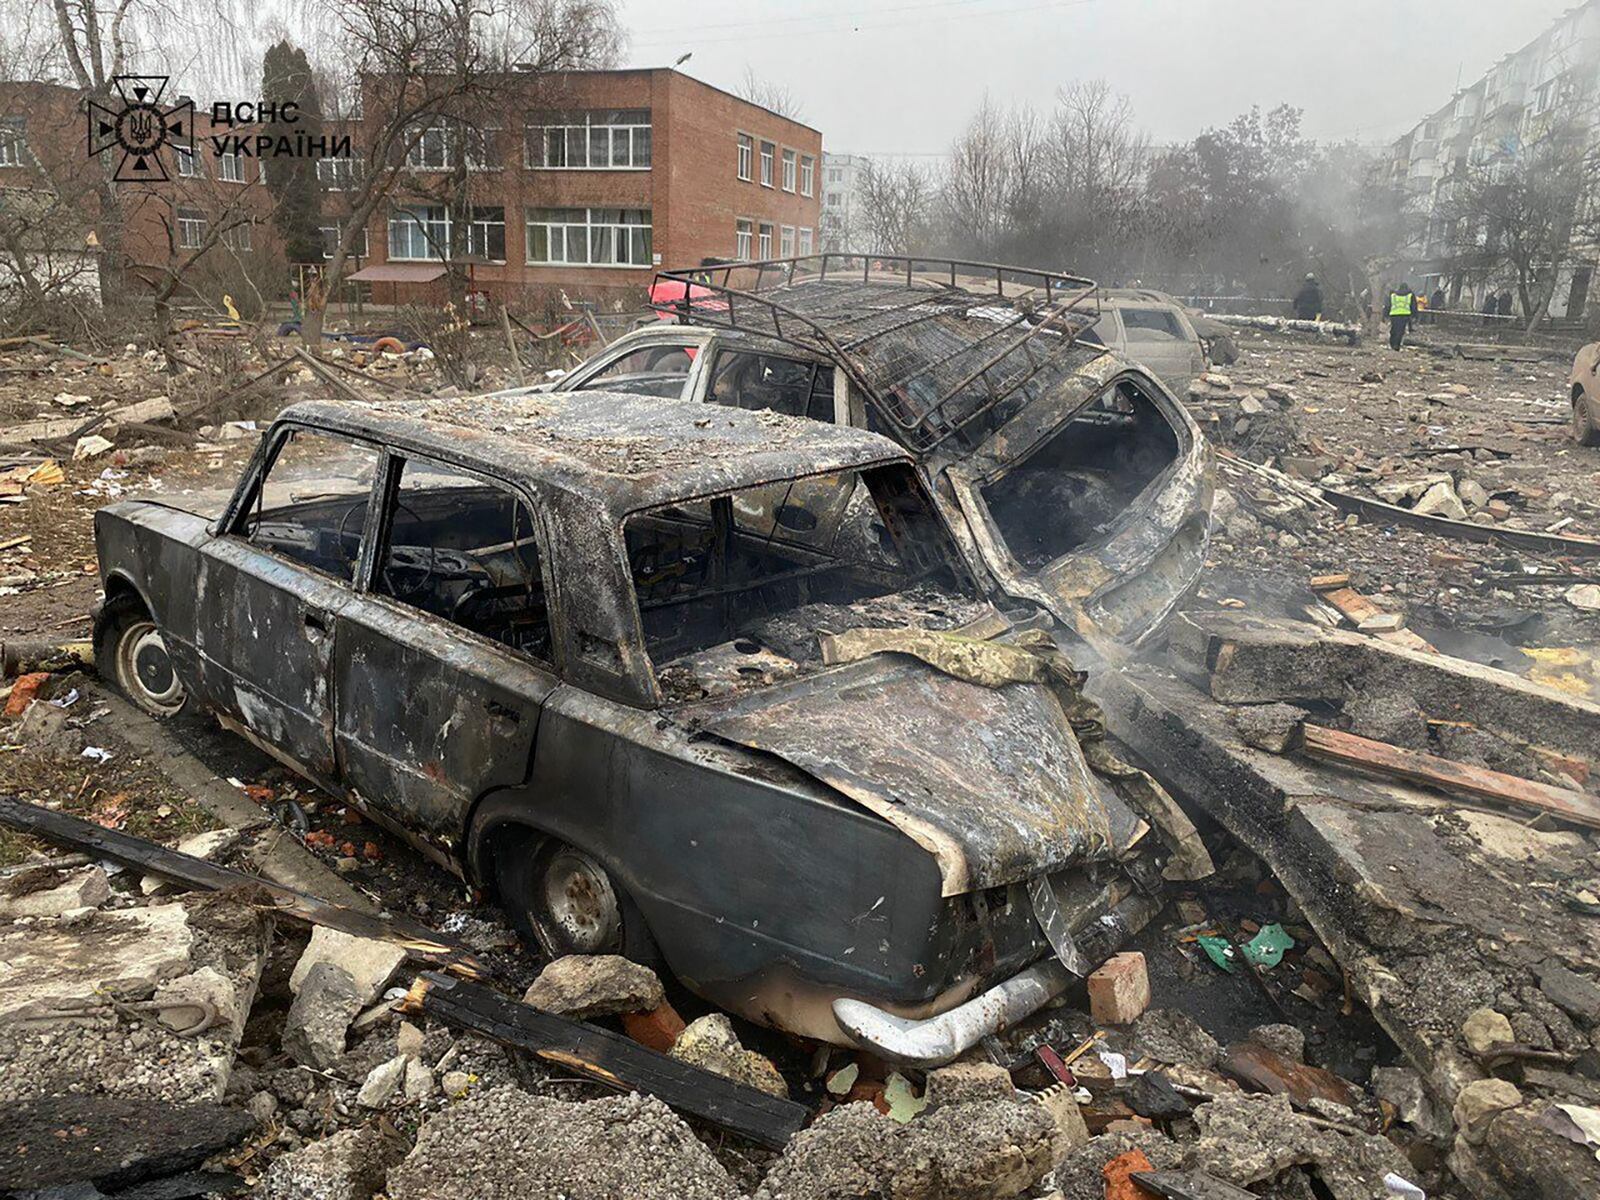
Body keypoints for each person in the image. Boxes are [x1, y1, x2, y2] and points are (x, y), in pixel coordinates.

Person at [1387, 282, 1416, 350]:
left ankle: (1392, 343)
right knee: (1400, 330)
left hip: (1393, 314)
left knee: (1394, 329)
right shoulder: (1410, 295)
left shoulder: (1393, 295)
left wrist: (1385, 314)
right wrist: (1414, 315)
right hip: (1404, 314)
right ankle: (1396, 345)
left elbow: (1388, 305)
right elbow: (1413, 306)